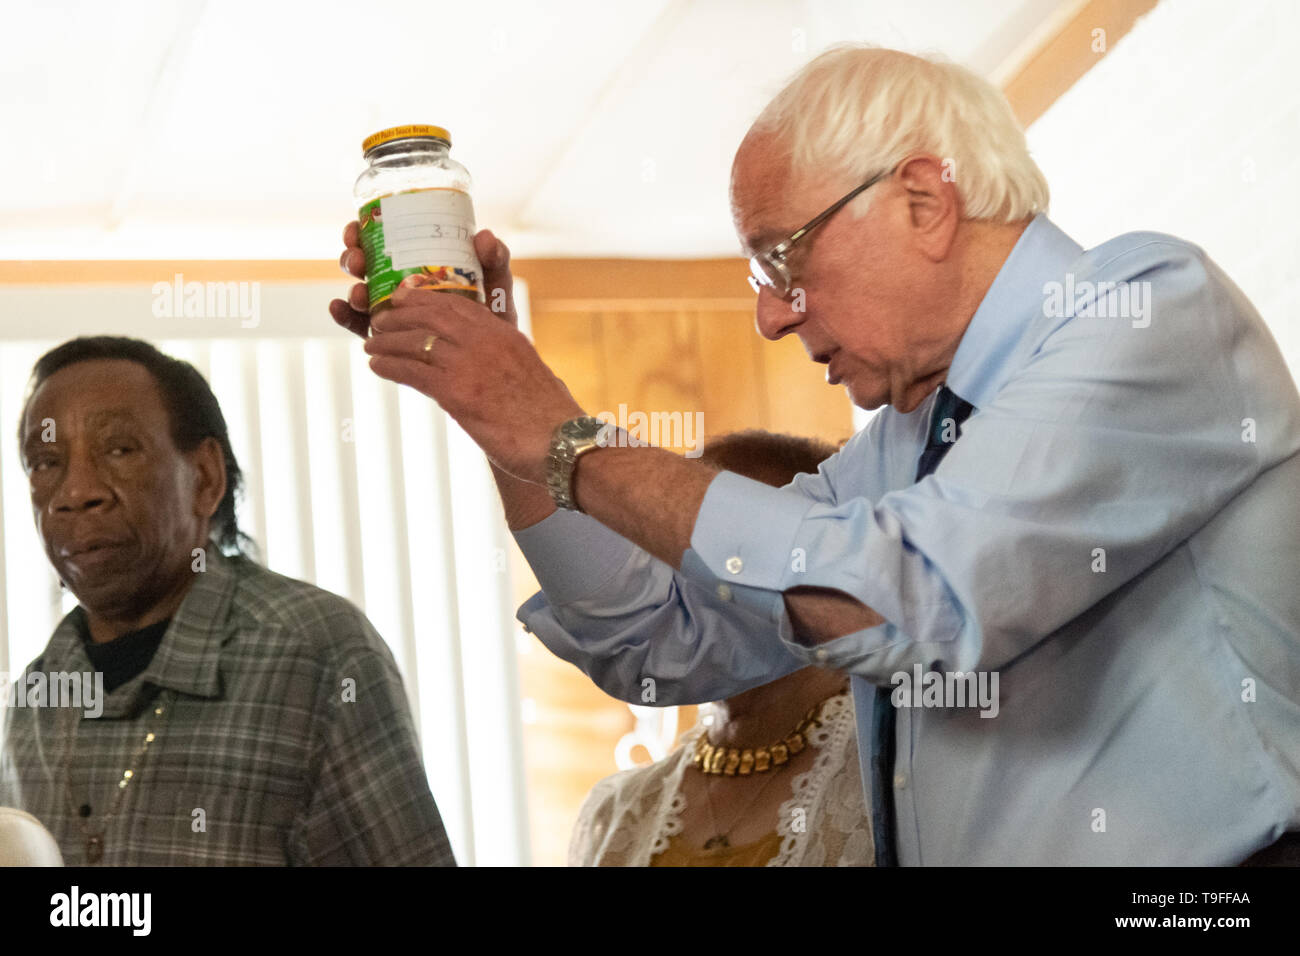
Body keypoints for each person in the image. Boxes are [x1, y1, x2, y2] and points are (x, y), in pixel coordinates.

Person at [331, 46, 1300, 865]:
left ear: (923, 200)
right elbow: (653, 637)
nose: (769, 315)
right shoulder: (896, 450)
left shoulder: (1146, 302)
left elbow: (909, 594)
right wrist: (508, 429)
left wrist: (563, 436)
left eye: (779, 259)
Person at [0, 336, 455, 866]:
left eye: (120, 449)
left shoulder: (316, 654)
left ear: (205, 478)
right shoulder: (34, 698)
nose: (75, 491)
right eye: (45, 462)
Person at [569, 431, 872, 867]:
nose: (681, 575)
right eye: (668, 546)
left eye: (723, 550)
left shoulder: (885, 772)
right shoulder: (621, 811)